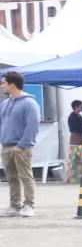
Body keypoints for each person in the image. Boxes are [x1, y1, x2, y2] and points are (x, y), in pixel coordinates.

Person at [1, 71, 40, 217]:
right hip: (6, 145)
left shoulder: (30, 104)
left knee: (25, 176)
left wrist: (22, 145)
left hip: (21, 147)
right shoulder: (5, 103)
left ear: (12, 84)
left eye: (4, 82)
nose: (2, 85)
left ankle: (29, 205)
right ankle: (14, 205)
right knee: (11, 177)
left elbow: (32, 126)